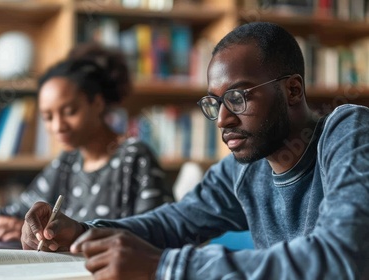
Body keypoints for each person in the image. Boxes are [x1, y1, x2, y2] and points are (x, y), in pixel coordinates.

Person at [21, 22, 369, 279]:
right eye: (215, 103)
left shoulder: (348, 132)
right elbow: (174, 222)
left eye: (238, 97)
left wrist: (166, 266)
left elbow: (342, 256)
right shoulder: (244, 167)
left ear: (293, 90)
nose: (222, 120)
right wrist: (83, 231)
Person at [0, 44, 174, 243]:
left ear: (97, 103)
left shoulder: (135, 156)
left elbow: (156, 235)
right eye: (48, 117)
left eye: (70, 112)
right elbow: (21, 211)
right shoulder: (68, 161)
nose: (58, 126)